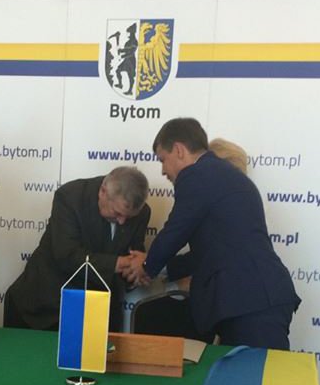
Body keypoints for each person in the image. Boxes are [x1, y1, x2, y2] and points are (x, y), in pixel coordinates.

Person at [126, 118, 300, 350]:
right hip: (251, 301)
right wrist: (159, 266)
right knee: (245, 373)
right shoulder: (220, 175)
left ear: (178, 150)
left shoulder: (196, 176)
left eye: (162, 160)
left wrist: (147, 265)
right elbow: (211, 251)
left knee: (257, 373)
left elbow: (175, 230)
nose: (163, 170)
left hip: (251, 303)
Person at [4, 167, 151, 331]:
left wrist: (137, 271)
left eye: (128, 217)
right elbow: (66, 255)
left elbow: (133, 254)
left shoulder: (143, 213)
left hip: (97, 312)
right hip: (46, 307)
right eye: (117, 213)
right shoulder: (70, 197)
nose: (122, 221)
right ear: (103, 192)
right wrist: (118, 263)